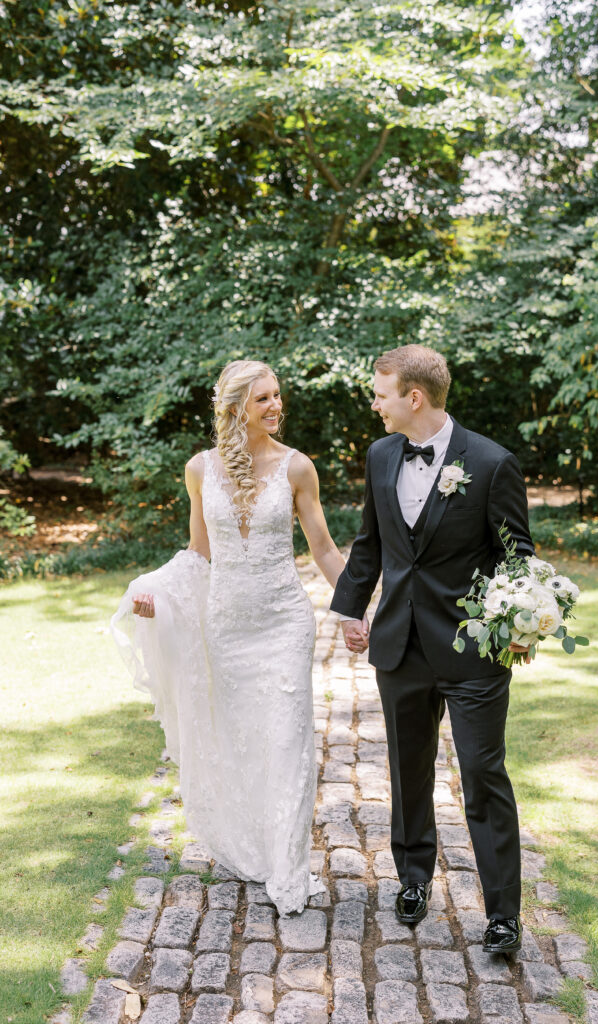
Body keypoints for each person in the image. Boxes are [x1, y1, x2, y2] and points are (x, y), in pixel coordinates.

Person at [111, 359, 352, 916]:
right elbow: (199, 554)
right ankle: (255, 849)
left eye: (277, 396)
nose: (276, 406)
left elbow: (323, 548)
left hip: (284, 622)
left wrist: (356, 609)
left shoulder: (297, 469)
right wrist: (155, 593)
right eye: (263, 399)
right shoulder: (199, 470)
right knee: (241, 741)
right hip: (226, 626)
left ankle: (289, 872)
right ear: (235, 407)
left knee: (287, 742)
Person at [331, 344, 534, 953]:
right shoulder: (380, 455)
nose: (375, 404)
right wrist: (349, 607)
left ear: (413, 397)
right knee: (407, 768)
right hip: (402, 646)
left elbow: (517, 558)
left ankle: (503, 914)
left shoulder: (494, 464)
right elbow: (370, 541)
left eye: (381, 393)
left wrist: (520, 622)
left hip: (474, 653)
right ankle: (414, 876)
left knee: (482, 773)